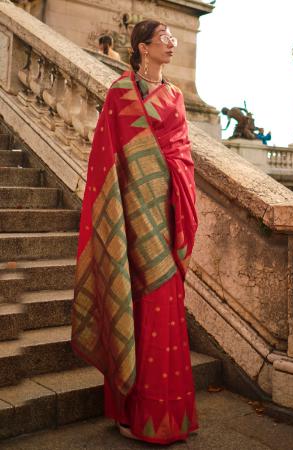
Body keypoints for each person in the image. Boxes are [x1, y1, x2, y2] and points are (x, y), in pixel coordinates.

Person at [72, 19, 199, 445]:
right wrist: (120, 207)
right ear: (143, 47)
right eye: (163, 36)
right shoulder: (120, 94)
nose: (172, 42)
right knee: (132, 302)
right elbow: (105, 157)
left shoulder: (177, 96)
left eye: (173, 36)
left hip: (164, 214)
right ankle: (131, 410)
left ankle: (165, 417)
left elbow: (182, 152)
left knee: (163, 305)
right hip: (127, 215)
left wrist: (170, 181)